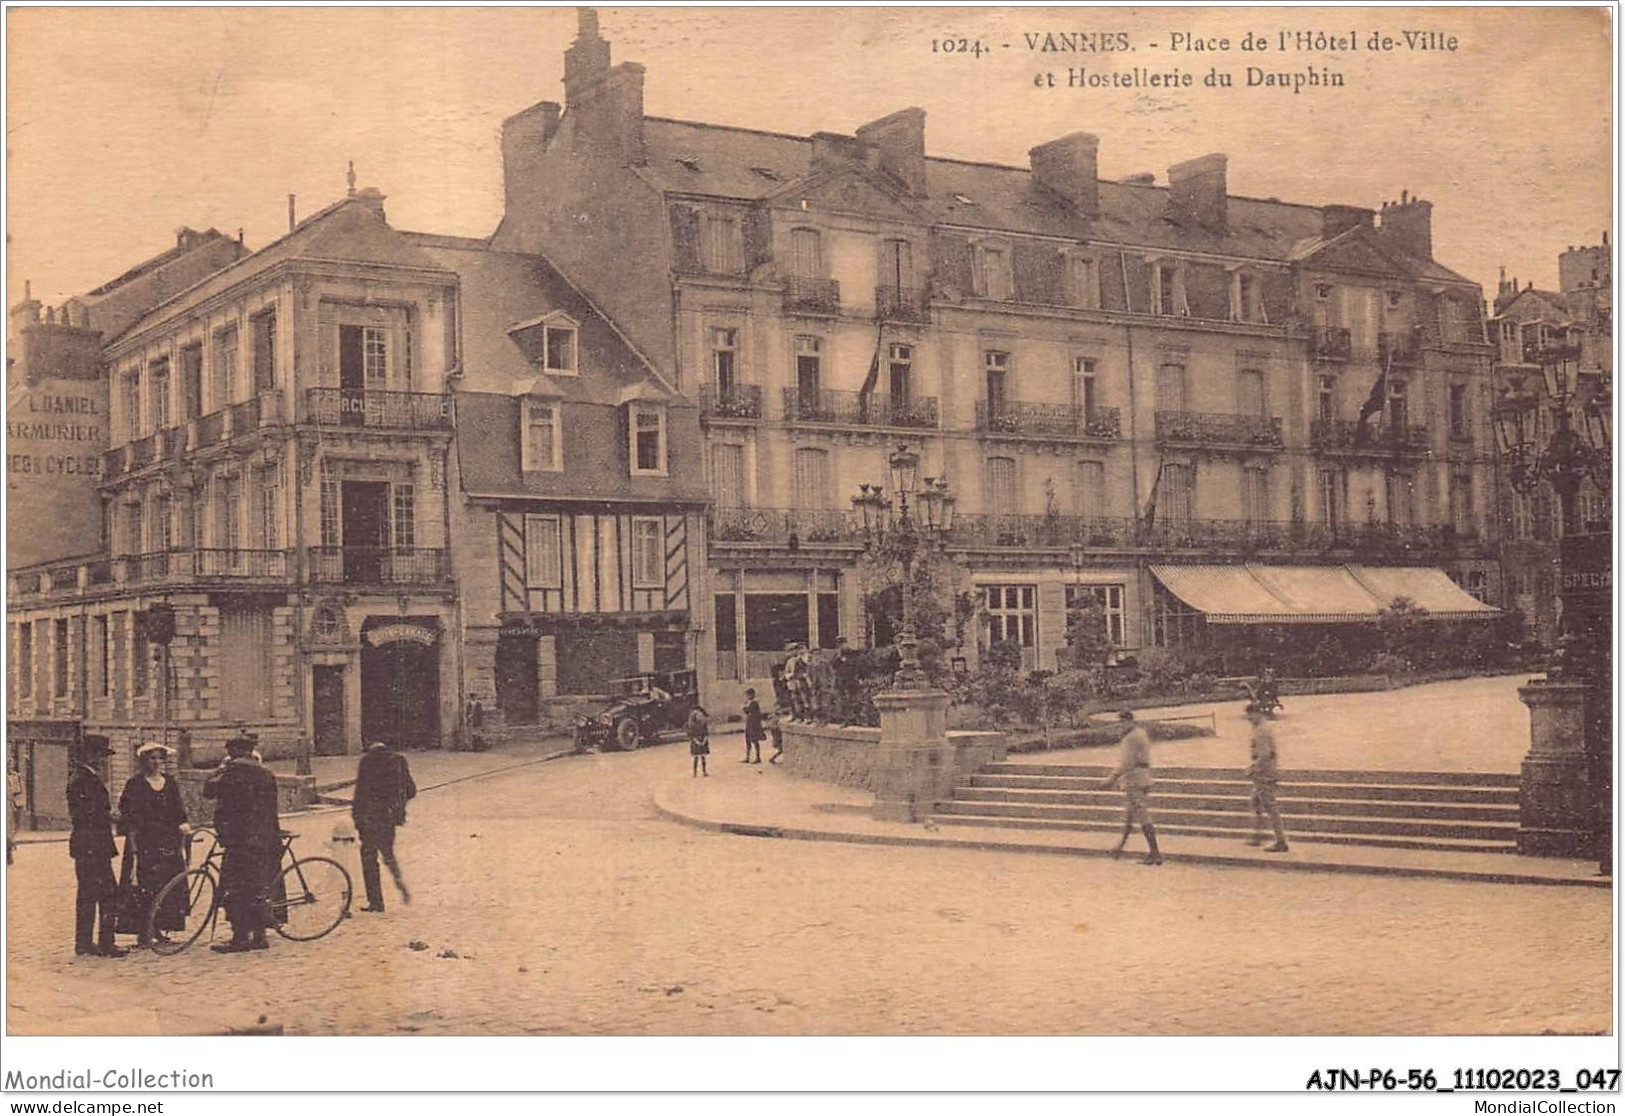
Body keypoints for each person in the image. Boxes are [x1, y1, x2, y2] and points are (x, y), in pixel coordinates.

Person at [202, 733, 281, 953]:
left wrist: (219, 769)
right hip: (263, 839)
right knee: (257, 886)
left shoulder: (231, 771)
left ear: (233, 752)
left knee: (235, 889)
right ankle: (259, 935)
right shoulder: (267, 773)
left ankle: (239, 938)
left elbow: (208, 791)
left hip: (238, 841)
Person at [117, 742, 192, 948]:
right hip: (145, 841)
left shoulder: (169, 782)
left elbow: (178, 807)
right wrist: (134, 835)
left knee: (167, 883)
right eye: (152, 758)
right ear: (143, 761)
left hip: (169, 841)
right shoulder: (135, 784)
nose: (157, 762)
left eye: (160, 758)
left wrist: (183, 824)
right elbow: (127, 811)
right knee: (144, 885)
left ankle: (160, 927)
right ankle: (143, 931)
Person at [68, 735, 127, 958]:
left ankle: (84, 943)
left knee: (89, 894)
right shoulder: (83, 779)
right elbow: (85, 813)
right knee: (107, 894)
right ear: (90, 755)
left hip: (89, 845)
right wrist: (111, 816)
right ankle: (105, 943)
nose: (102, 760)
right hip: (92, 844)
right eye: (100, 755)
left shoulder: (84, 777)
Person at [352, 741, 417, 913]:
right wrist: (398, 806)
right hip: (388, 818)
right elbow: (411, 790)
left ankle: (376, 902)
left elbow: (360, 792)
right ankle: (399, 881)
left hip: (369, 818)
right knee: (388, 853)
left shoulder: (367, 761)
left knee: (369, 859)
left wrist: (356, 818)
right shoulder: (398, 761)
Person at [1102, 710, 1162, 866]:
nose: (1120, 726)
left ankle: (1155, 853)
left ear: (1129, 721)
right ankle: (1119, 848)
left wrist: (1111, 778)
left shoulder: (1130, 738)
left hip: (1134, 780)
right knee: (1129, 815)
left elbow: (1126, 762)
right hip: (1142, 778)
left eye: (1122, 722)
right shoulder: (1140, 733)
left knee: (1142, 815)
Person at [1245, 704, 1290, 852]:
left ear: (1258, 713)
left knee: (1270, 806)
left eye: (1250, 715)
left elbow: (1264, 755)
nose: (1249, 719)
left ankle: (1281, 841)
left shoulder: (1261, 731)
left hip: (1264, 774)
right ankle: (1257, 837)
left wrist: (1253, 768)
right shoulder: (1264, 728)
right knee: (1255, 802)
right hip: (1267, 772)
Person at [687, 704, 711, 777]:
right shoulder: (692, 726)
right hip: (696, 741)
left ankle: (704, 771)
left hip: (702, 740)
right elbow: (691, 735)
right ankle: (695, 773)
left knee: (703, 757)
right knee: (696, 758)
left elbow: (706, 733)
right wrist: (696, 741)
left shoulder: (703, 724)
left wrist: (704, 740)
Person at [742, 688, 765, 764]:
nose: (747, 696)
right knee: (748, 740)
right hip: (750, 723)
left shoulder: (754, 703)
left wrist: (744, 707)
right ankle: (748, 757)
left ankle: (758, 757)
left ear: (752, 695)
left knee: (755, 740)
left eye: (748, 695)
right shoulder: (751, 702)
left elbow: (748, 711)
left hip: (754, 724)